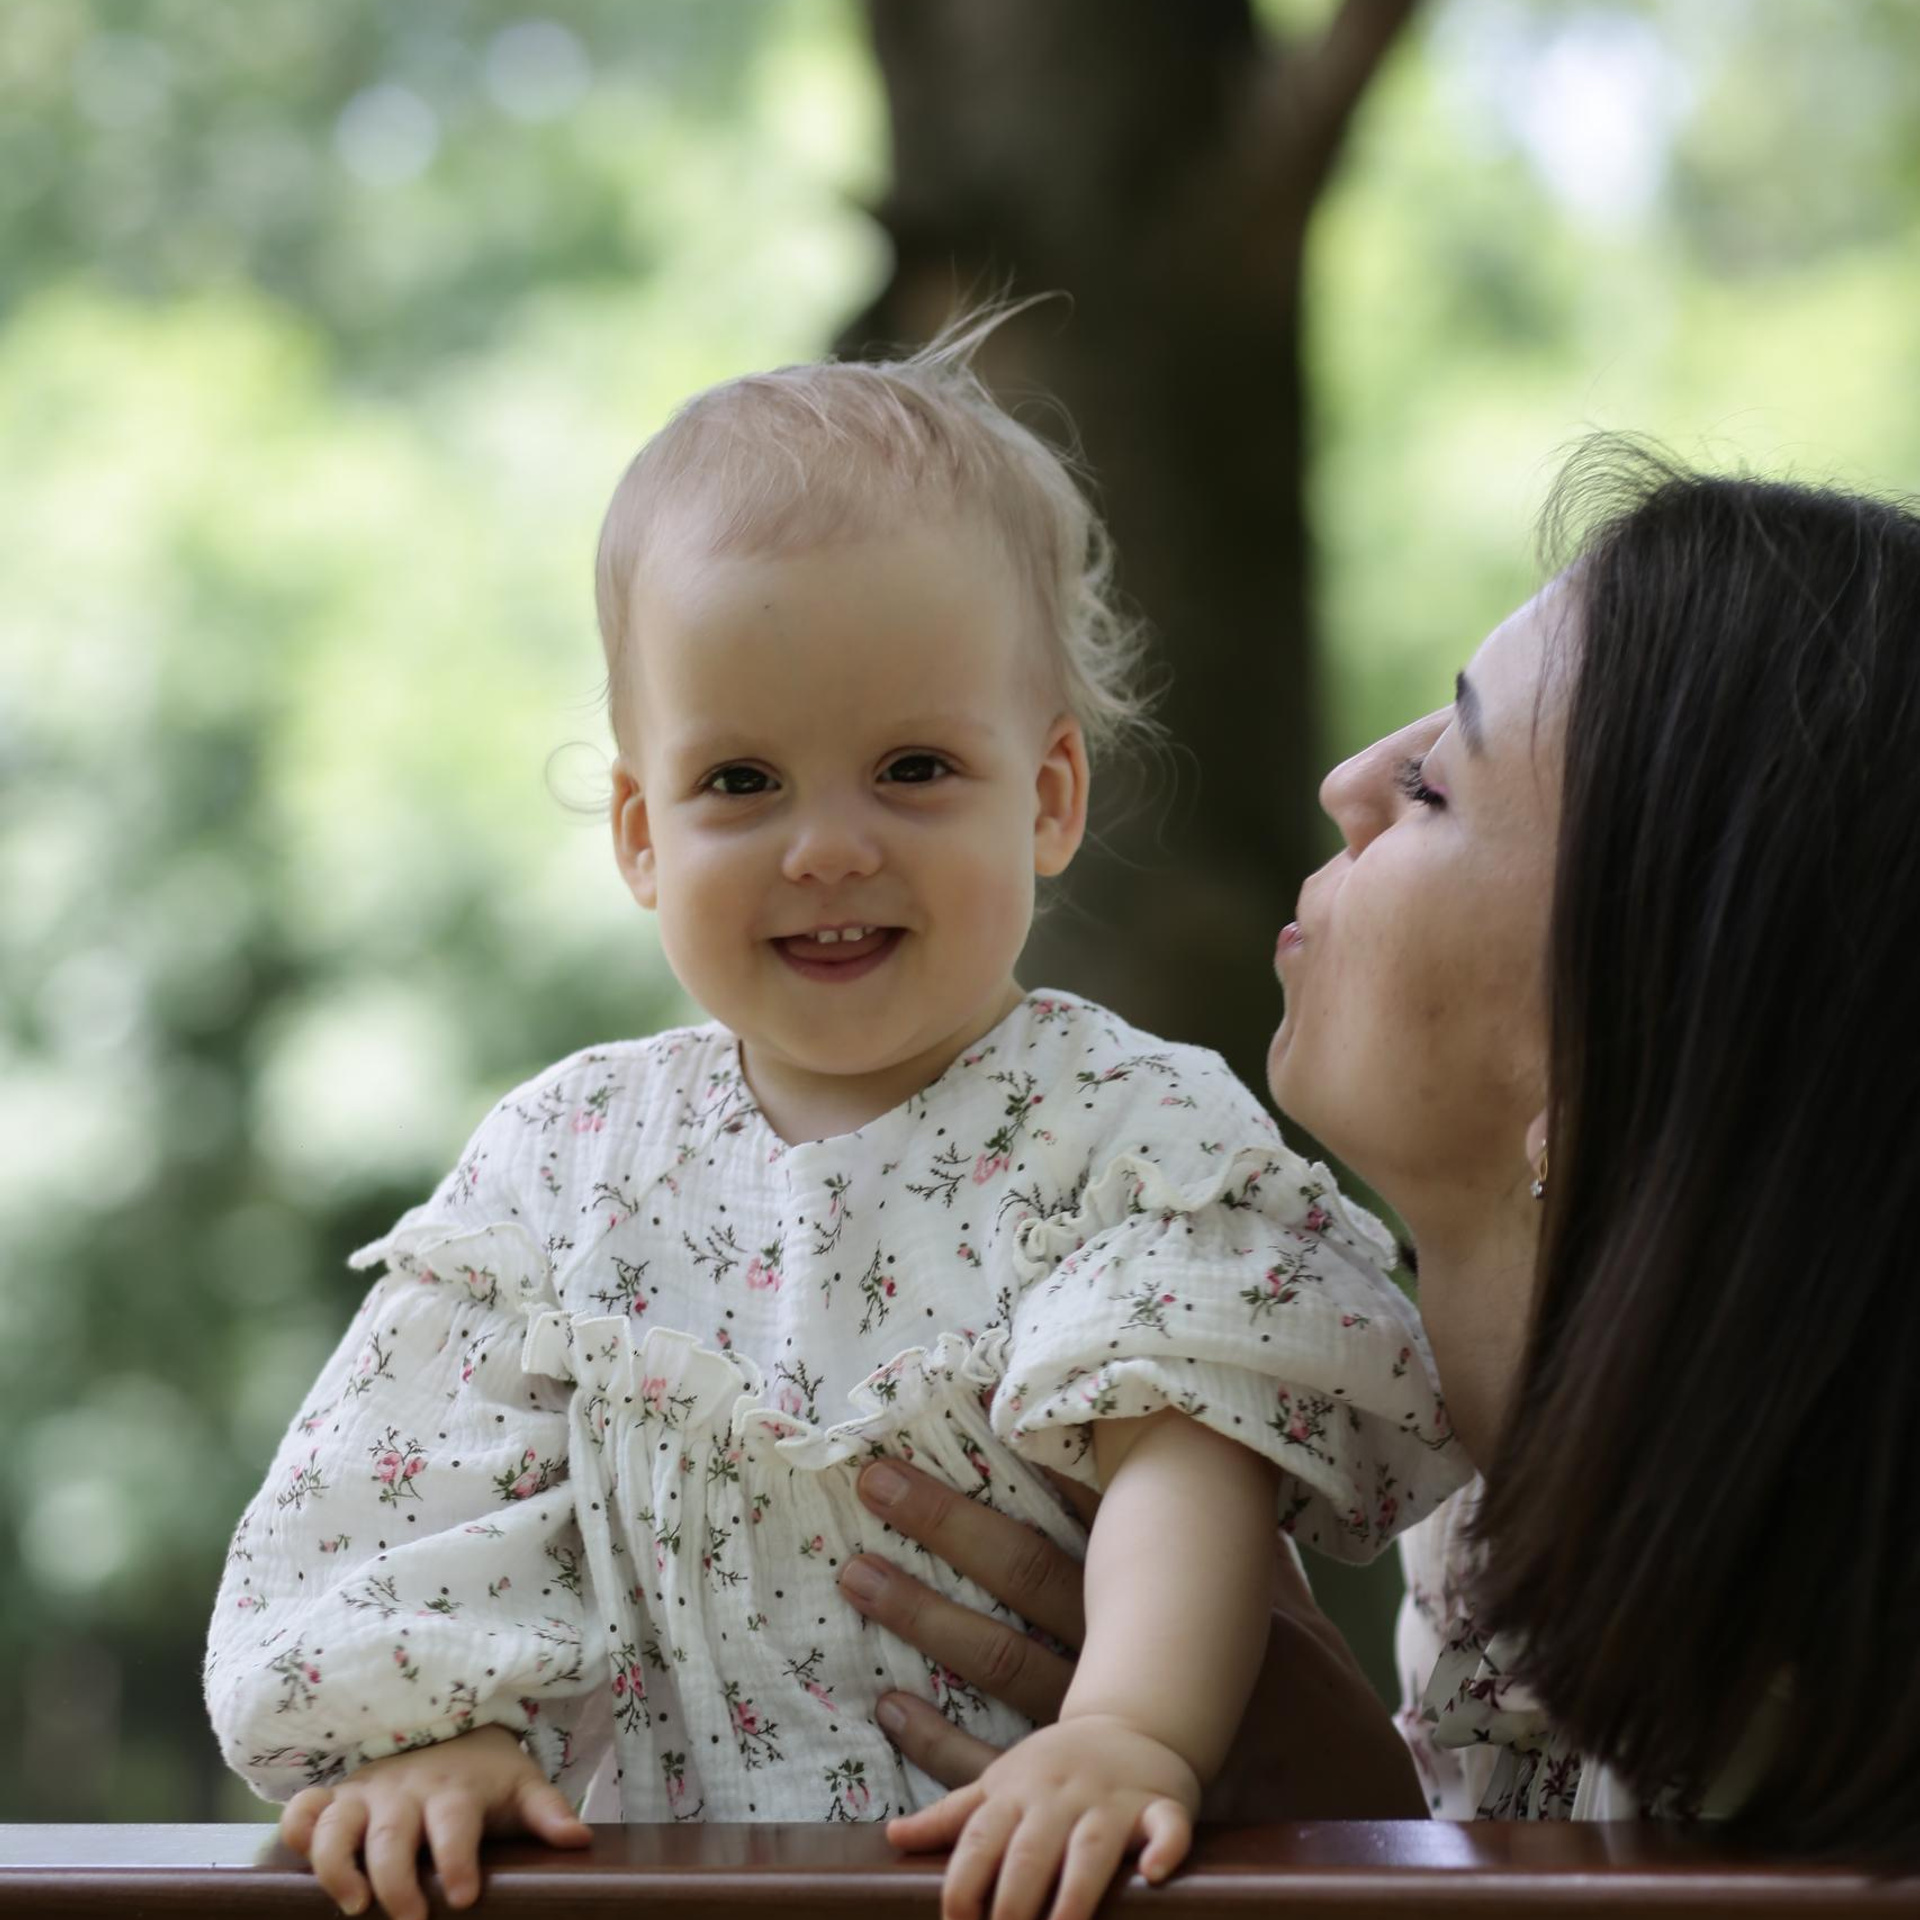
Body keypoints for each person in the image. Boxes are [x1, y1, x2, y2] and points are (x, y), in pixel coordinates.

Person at [202, 311, 1465, 1920]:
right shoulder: (567, 1169)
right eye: (743, 784)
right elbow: (422, 1481)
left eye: (915, 767)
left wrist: (1131, 1728)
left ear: (1052, 797)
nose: (826, 848)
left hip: (1048, 1880)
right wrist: (440, 1734)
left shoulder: (1118, 1132)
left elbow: (1184, 1466)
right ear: (642, 833)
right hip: (684, 1887)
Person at [846, 444, 1920, 1871]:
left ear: (1614, 1054)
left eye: (1436, 787)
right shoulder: (1483, 1520)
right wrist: (1367, 1822)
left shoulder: (1816, 1704)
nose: (1349, 781)